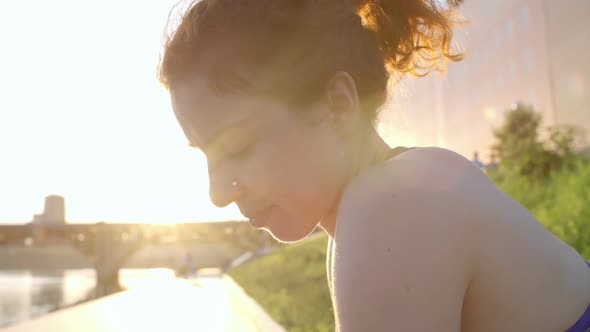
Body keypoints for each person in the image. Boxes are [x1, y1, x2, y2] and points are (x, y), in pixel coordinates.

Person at [157, 0, 590, 330]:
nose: (217, 193)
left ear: (338, 105)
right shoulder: (380, 205)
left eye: (240, 145)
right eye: (204, 155)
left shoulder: (392, 207)